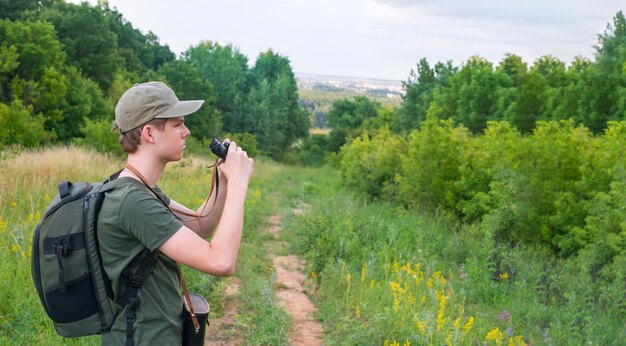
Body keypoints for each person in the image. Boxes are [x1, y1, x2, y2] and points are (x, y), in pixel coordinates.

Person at [98, 81, 254, 345]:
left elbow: (200, 224)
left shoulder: (140, 189)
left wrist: (224, 179)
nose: (187, 132)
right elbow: (221, 262)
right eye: (177, 124)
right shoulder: (132, 201)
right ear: (149, 132)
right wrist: (240, 184)